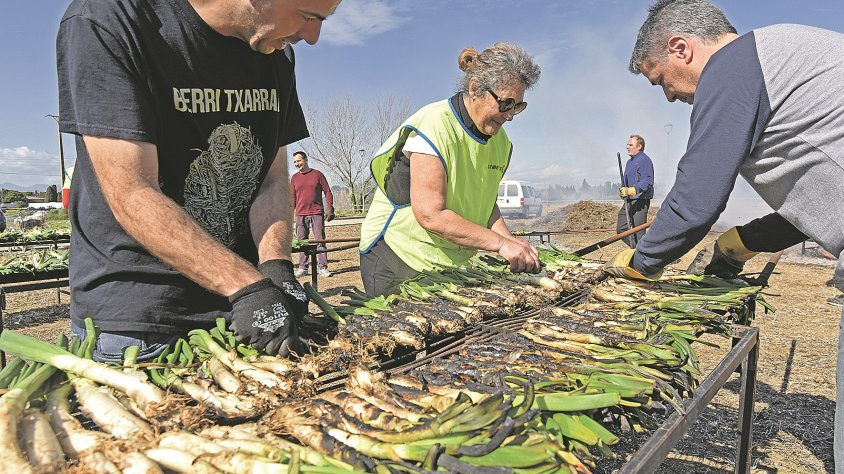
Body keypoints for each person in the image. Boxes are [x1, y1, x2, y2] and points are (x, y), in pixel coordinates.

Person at [603, 0, 844, 469]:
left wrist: (640, 264)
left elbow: (696, 199)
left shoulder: (732, 67)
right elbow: (814, 205)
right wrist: (742, 241)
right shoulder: (779, 53)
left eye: (661, 81)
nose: (668, 97)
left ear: (680, 48)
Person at [56, 0, 342, 360]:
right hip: (143, 322)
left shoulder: (274, 49)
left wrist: (275, 265)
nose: (312, 36)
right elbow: (132, 191)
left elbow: (270, 178)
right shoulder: (110, 20)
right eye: (309, 16)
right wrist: (246, 285)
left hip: (242, 305)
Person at [358, 42, 542, 296]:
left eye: (517, 106)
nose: (510, 115)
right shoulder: (434, 125)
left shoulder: (501, 143)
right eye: (505, 103)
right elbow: (430, 215)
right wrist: (499, 244)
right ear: (475, 88)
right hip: (398, 255)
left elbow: (485, 205)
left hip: (448, 263)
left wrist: (512, 243)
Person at [290, 151, 334, 278]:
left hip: (316, 212)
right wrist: (290, 213)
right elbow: (292, 197)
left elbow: (327, 191)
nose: (297, 164)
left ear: (306, 160)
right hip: (300, 214)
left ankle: (323, 268)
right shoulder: (294, 178)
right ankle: (303, 268)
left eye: (299, 161)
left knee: (320, 240)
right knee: (302, 242)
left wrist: (330, 207)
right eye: (295, 162)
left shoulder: (317, 174)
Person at [615, 134, 654, 247]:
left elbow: (648, 180)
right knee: (621, 229)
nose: (627, 147)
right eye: (627, 145)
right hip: (629, 201)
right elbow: (626, 182)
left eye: (630, 145)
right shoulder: (629, 162)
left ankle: (644, 252)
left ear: (639, 146)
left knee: (639, 234)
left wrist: (633, 190)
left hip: (640, 201)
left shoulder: (644, 160)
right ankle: (637, 250)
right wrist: (623, 191)